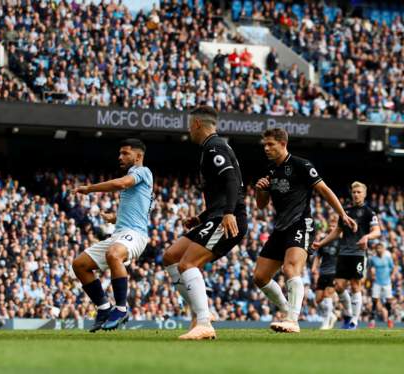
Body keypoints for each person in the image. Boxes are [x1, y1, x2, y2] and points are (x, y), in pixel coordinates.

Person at [253, 128, 357, 333]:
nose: (266, 148)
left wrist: (342, 214)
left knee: (290, 268)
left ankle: (292, 320)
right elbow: (261, 205)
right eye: (264, 144)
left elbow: (324, 190)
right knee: (260, 277)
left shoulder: (301, 165)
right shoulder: (271, 169)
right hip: (280, 228)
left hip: (301, 224)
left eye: (270, 144)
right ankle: (286, 308)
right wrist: (260, 190)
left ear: (283, 144)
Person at [163, 106, 247, 340]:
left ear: (198, 124)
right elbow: (223, 188)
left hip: (226, 218)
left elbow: (231, 180)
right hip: (215, 215)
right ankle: (201, 313)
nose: (188, 130)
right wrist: (201, 217)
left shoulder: (214, 146)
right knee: (171, 256)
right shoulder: (214, 146)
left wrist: (228, 212)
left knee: (187, 264)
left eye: (190, 125)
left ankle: (203, 321)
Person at [72, 139, 153, 332]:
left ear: (138, 156)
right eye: (120, 153)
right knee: (80, 265)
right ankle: (104, 308)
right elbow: (138, 211)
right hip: (121, 233)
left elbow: (121, 183)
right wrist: (115, 218)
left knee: (114, 254)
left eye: (125, 153)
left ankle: (121, 309)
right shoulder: (137, 181)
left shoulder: (143, 172)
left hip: (136, 234)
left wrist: (90, 189)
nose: (120, 157)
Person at [313, 181, 380, 329]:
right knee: (338, 286)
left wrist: (367, 237)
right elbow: (337, 231)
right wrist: (321, 243)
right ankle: (349, 313)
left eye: (359, 192)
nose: (356, 194)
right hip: (343, 253)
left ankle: (354, 321)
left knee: (356, 285)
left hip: (358, 253)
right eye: (354, 192)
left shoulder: (369, 212)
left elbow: (377, 231)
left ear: (364, 194)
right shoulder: (345, 211)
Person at [311, 214, 339, 330]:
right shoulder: (324, 241)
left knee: (327, 295)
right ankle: (331, 315)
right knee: (317, 300)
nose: (332, 228)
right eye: (330, 226)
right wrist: (314, 267)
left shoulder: (340, 241)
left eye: (334, 226)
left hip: (334, 272)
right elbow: (318, 256)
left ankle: (326, 323)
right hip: (323, 272)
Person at [368, 243, 395, 328]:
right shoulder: (373, 259)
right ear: (375, 249)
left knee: (388, 301)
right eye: (377, 248)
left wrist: (392, 275)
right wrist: (371, 275)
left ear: (383, 249)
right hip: (377, 282)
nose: (379, 250)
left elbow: (393, 267)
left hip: (387, 282)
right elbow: (369, 268)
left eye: (380, 248)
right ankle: (372, 320)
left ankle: (390, 319)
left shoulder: (388, 258)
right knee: (375, 300)